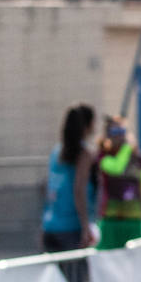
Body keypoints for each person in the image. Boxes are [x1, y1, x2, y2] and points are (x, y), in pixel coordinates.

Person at [42, 103, 97, 252]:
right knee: (78, 274)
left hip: (50, 226)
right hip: (70, 228)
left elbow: (48, 187)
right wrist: (85, 226)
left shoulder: (56, 151)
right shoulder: (83, 153)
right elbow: (79, 190)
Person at [95, 116, 141, 249]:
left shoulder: (137, 157)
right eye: (115, 132)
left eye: (122, 131)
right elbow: (116, 168)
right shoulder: (104, 156)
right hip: (111, 218)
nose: (120, 136)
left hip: (134, 218)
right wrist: (126, 149)